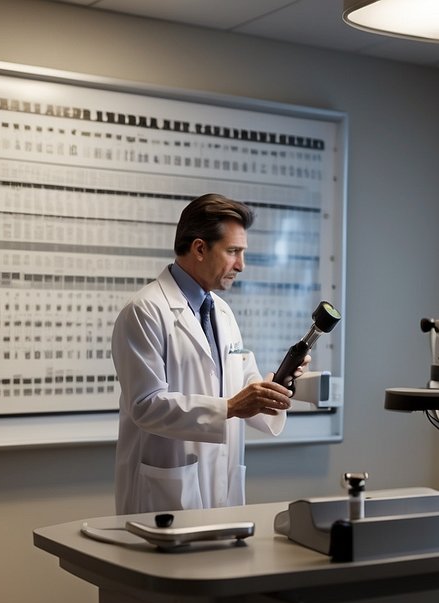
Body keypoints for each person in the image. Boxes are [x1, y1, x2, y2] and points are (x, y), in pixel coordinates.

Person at [112, 193, 305, 514]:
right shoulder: (145, 311)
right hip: (163, 495)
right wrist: (228, 407)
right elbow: (145, 406)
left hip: (220, 489)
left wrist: (275, 387)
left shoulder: (223, 313)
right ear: (199, 248)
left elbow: (244, 388)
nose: (241, 265)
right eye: (233, 252)